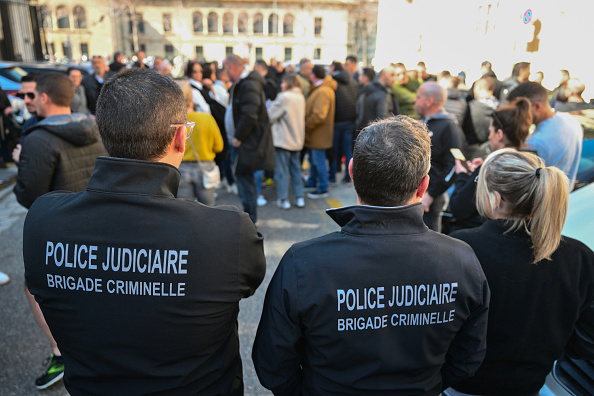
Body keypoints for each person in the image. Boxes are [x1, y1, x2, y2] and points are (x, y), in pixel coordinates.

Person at [23, 68, 266, 394]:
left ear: (102, 132)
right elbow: (250, 282)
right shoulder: (228, 231)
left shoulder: (42, 221)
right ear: (180, 137)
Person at [253, 116, 490, 395]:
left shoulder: (304, 262)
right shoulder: (461, 260)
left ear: (352, 171)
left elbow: (273, 363)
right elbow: (468, 358)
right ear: (424, 186)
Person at [447, 149, 594, 396]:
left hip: (465, 386)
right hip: (530, 385)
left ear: (496, 198)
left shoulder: (460, 249)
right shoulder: (580, 257)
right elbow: (585, 341)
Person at [14, 72, 107, 390]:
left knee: (36, 288)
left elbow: (29, 195)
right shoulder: (94, 126)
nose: (25, 101)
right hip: (95, 221)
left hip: (56, 229)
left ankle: (61, 352)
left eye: (29, 96)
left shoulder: (37, 139)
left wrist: (19, 161)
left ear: (45, 98)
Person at [449, 97, 533, 231]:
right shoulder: (531, 163)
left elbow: (458, 208)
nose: (489, 137)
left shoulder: (491, 168)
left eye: (490, 132)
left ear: (499, 134)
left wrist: (463, 176)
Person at [224, 54, 275, 224]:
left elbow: (249, 114)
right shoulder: (246, 83)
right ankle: (249, 219)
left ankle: (249, 221)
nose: (225, 73)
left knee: (246, 183)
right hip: (246, 142)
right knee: (245, 181)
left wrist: (239, 136)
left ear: (231, 67)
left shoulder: (249, 84)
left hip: (247, 143)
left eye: (225, 69)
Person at [507, 82, 583, 187]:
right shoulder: (570, 119)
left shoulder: (536, 143)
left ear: (537, 107)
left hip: (547, 199)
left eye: (520, 110)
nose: (517, 116)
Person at [415, 82, 464, 232]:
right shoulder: (422, 122)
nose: (414, 100)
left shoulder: (449, 126)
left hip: (429, 201)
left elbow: (456, 164)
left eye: (418, 97)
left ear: (429, 101)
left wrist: (431, 194)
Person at [178, 82, 224, 206]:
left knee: (185, 210)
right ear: (192, 99)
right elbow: (219, 146)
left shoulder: (174, 123)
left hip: (181, 168)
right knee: (208, 210)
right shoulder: (207, 119)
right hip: (205, 168)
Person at [268, 73, 306, 209]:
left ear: (288, 83)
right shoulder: (300, 96)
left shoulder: (284, 97)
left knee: (282, 171)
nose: (281, 85)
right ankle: (299, 197)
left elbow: (271, 115)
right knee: (296, 169)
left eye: (283, 82)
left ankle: (283, 199)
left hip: (283, 139)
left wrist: (269, 106)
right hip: (297, 139)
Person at [304, 64, 337, 199]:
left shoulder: (323, 91)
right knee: (314, 160)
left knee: (319, 161)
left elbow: (319, 115)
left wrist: (306, 126)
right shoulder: (321, 89)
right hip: (317, 134)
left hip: (318, 134)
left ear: (313, 75)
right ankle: (313, 182)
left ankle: (323, 187)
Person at [329, 61, 359, 184]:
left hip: (337, 121)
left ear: (333, 68)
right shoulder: (352, 81)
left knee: (334, 150)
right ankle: (348, 175)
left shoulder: (332, 82)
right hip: (350, 120)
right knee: (348, 150)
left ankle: (332, 175)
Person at [356, 66, 399, 140]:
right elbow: (382, 120)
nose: (394, 78)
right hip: (380, 137)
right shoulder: (383, 94)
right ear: (382, 76)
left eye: (395, 75)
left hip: (369, 135)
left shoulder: (369, 90)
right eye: (391, 75)